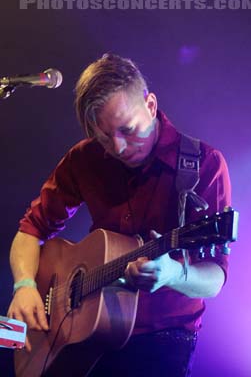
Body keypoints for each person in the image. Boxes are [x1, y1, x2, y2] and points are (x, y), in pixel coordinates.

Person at [7, 53, 232, 376]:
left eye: (128, 129)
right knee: (5, 337)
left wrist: (173, 274)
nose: (119, 147)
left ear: (150, 105)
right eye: (104, 136)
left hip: (162, 338)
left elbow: (216, 279)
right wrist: (25, 286)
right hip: (81, 329)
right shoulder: (84, 158)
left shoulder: (204, 164)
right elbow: (31, 230)